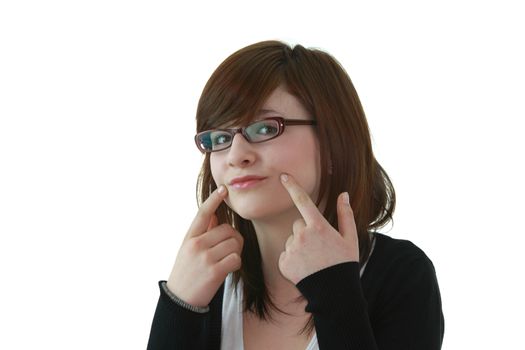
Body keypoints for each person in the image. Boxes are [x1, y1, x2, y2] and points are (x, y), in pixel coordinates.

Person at [147, 40, 444, 350]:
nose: (236, 155)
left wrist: (333, 289)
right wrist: (178, 308)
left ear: (333, 144)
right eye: (220, 137)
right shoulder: (209, 284)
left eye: (263, 129)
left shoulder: (401, 274)